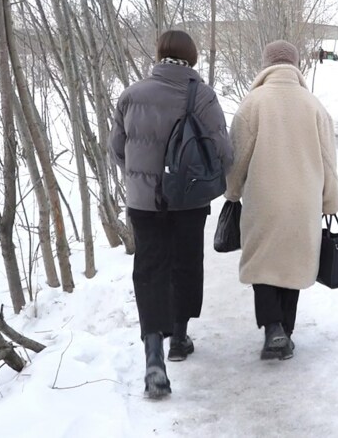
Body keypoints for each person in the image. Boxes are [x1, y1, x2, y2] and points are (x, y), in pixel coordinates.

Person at [110, 29, 232, 398]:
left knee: (149, 271)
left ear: (159, 55)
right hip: (190, 200)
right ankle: (178, 337)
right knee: (186, 264)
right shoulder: (203, 96)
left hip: (144, 202)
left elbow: (117, 150)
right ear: (192, 57)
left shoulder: (131, 95)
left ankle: (153, 357)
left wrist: (142, 179)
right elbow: (225, 153)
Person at [224, 40, 338, 361]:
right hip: (304, 202)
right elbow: (328, 160)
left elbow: (238, 157)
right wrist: (330, 201)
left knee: (264, 264)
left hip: (263, 200)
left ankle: (272, 328)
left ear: (266, 66)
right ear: (295, 66)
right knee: (292, 264)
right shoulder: (314, 105)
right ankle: (285, 333)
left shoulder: (253, 104)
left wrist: (232, 192)